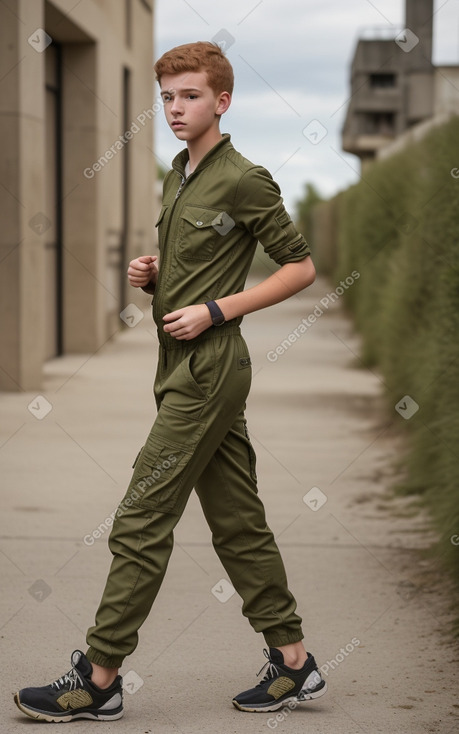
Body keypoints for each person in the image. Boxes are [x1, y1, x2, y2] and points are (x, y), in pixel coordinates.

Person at [14, 41, 327, 723]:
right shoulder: (179, 174)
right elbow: (204, 254)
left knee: (139, 518)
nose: (175, 109)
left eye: (188, 96)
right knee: (238, 524)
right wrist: (159, 276)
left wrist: (217, 308)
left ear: (221, 100)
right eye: (166, 98)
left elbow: (297, 267)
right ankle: (294, 662)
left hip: (211, 371)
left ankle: (99, 677)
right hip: (176, 367)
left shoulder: (245, 177)